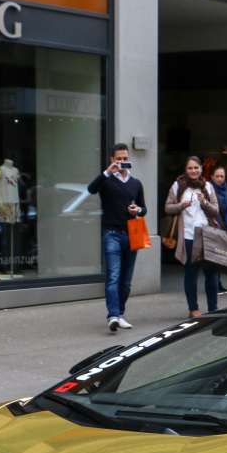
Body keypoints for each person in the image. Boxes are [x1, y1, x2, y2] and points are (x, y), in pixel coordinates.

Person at [87, 142, 147, 333]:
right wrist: (107, 172)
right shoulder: (106, 180)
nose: (122, 161)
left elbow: (144, 208)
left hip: (132, 233)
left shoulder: (136, 183)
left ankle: (120, 314)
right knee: (113, 276)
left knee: (126, 280)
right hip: (112, 233)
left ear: (129, 159)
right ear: (112, 160)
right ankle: (112, 316)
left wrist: (138, 209)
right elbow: (91, 189)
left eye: (125, 158)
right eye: (118, 158)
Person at [164, 155, 219, 317]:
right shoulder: (178, 186)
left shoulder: (208, 186)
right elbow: (167, 208)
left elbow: (216, 211)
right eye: (190, 168)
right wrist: (181, 205)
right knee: (191, 273)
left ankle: (213, 309)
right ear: (185, 170)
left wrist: (205, 202)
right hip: (187, 235)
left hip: (207, 235)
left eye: (196, 167)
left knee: (212, 274)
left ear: (201, 168)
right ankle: (193, 309)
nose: (193, 171)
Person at [210, 165, 227, 295]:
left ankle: (218, 283)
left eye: (222, 176)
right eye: (217, 176)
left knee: (222, 256)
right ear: (212, 177)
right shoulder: (210, 189)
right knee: (216, 256)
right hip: (215, 225)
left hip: (225, 225)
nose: (219, 179)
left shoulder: (226, 190)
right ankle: (215, 284)